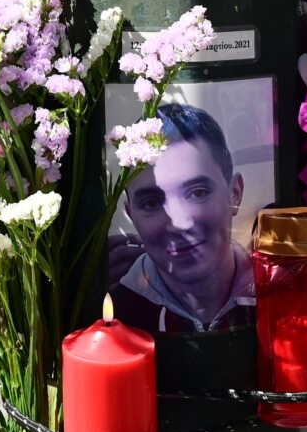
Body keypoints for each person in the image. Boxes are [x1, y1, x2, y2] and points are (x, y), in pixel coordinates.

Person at [107, 102, 254, 335]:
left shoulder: (280, 294)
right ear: (131, 214)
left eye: (197, 193)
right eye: (152, 203)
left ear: (234, 192)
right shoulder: (111, 316)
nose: (180, 223)